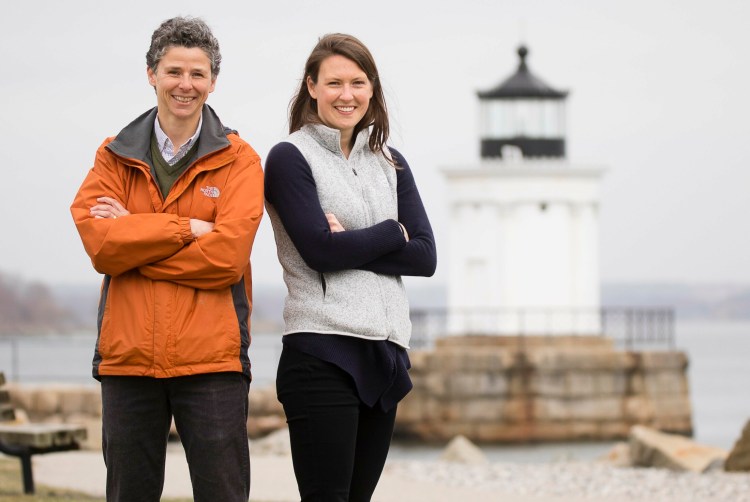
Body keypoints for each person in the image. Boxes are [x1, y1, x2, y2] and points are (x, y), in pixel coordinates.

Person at [70, 16, 264, 502]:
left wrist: (132, 242)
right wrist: (184, 228)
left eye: (198, 74)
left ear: (213, 82)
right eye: (174, 71)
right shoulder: (112, 156)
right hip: (127, 359)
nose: (186, 85)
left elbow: (225, 259)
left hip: (213, 362)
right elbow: (100, 245)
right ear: (151, 73)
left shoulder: (240, 160)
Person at [264, 33, 437, 501]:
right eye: (334, 82)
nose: (347, 95)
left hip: (385, 353)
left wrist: (350, 241)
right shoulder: (289, 158)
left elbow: (424, 256)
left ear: (372, 89)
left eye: (358, 82)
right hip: (322, 353)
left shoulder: (390, 163)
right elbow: (319, 253)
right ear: (312, 86)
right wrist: (388, 232)